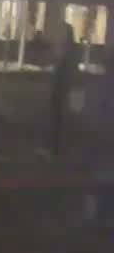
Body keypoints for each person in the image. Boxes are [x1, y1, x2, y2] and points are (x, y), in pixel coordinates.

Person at [52, 23, 80, 156]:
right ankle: (58, 148)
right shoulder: (69, 49)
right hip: (62, 88)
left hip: (64, 89)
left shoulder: (69, 50)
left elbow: (66, 69)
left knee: (62, 119)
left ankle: (59, 149)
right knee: (60, 118)